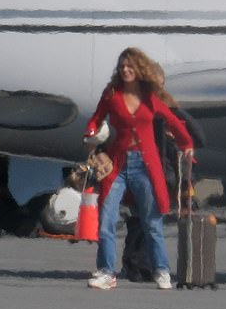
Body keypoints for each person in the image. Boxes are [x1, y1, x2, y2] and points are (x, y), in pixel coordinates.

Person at [84, 47, 194, 290]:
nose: (125, 70)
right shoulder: (112, 94)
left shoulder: (150, 97)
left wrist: (186, 144)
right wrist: (90, 135)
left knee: (151, 221)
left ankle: (162, 270)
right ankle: (106, 271)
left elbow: (173, 120)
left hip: (145, 165)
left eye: (130, 66)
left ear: (139, 68)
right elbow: (96, 118)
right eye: (122, 66)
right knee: (106, 219)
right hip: (117, 164)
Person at [121, 62, 206, 282]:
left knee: (145, 220)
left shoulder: (163, 110)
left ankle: (142, 266)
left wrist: (177, 136)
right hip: (151, 173)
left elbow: (197, 137)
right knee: (145, 220)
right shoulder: (147, 108)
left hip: (158, 174)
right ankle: (142, 266)